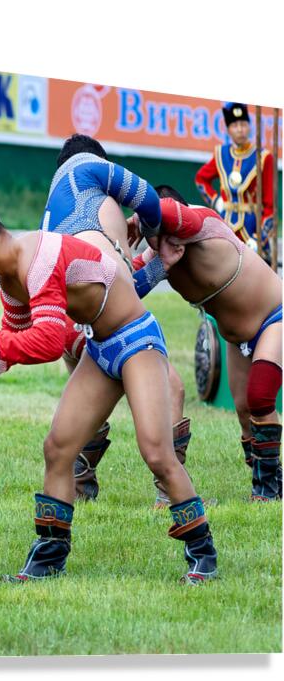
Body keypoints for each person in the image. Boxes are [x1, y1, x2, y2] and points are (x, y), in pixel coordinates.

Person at [0, 200, 218, 584]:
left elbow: (51, 341)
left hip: (137, 340)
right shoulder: (10, 278)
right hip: (101, 348)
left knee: (156, 452)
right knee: (58, 447)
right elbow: (19, 334)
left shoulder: (38, 259)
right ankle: (49, 559)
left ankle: (203, 555)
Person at [42, 134, 189, 507]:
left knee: (59, 446)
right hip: (112, 333)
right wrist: (154, 232)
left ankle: (82, 481)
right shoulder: (87, 173)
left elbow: (112, 292)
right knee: (170, 401)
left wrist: (155, 266)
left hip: (80, 333)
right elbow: (150, 201)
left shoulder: (55, 216)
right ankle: (166, 496)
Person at [129, 185, 282, 500]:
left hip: (274, 316)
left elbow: (172, 214)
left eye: (161, 226)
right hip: (235, 336)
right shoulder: (158, 251)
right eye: (152, 233)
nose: (162, 241)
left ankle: (269, 489)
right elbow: (123, 287)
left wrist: (139, 205)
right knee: (243, 412)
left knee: (260, 396)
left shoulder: (202, 224)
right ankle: (263, 476)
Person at [195, 102, 274, 265]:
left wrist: (258, 238)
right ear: (228, 129)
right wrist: (216, 200)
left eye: (243, 124)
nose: (240, 129)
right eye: (235, 125)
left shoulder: (264, 157)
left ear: (249, 126)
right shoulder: (221, 154)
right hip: (225, 226)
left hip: (252, 229)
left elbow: (270, 207)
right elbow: (201, 180)